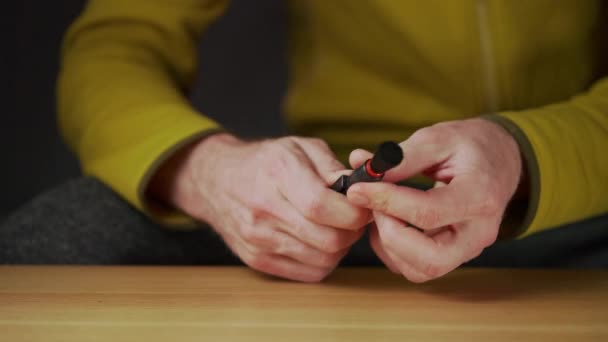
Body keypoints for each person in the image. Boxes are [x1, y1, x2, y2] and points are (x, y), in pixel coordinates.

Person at [2, 1, 607, 282]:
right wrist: (208, 172)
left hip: (575, 198)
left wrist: (524, 155)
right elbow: (114, 47)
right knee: (53, 242)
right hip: (321, 216)